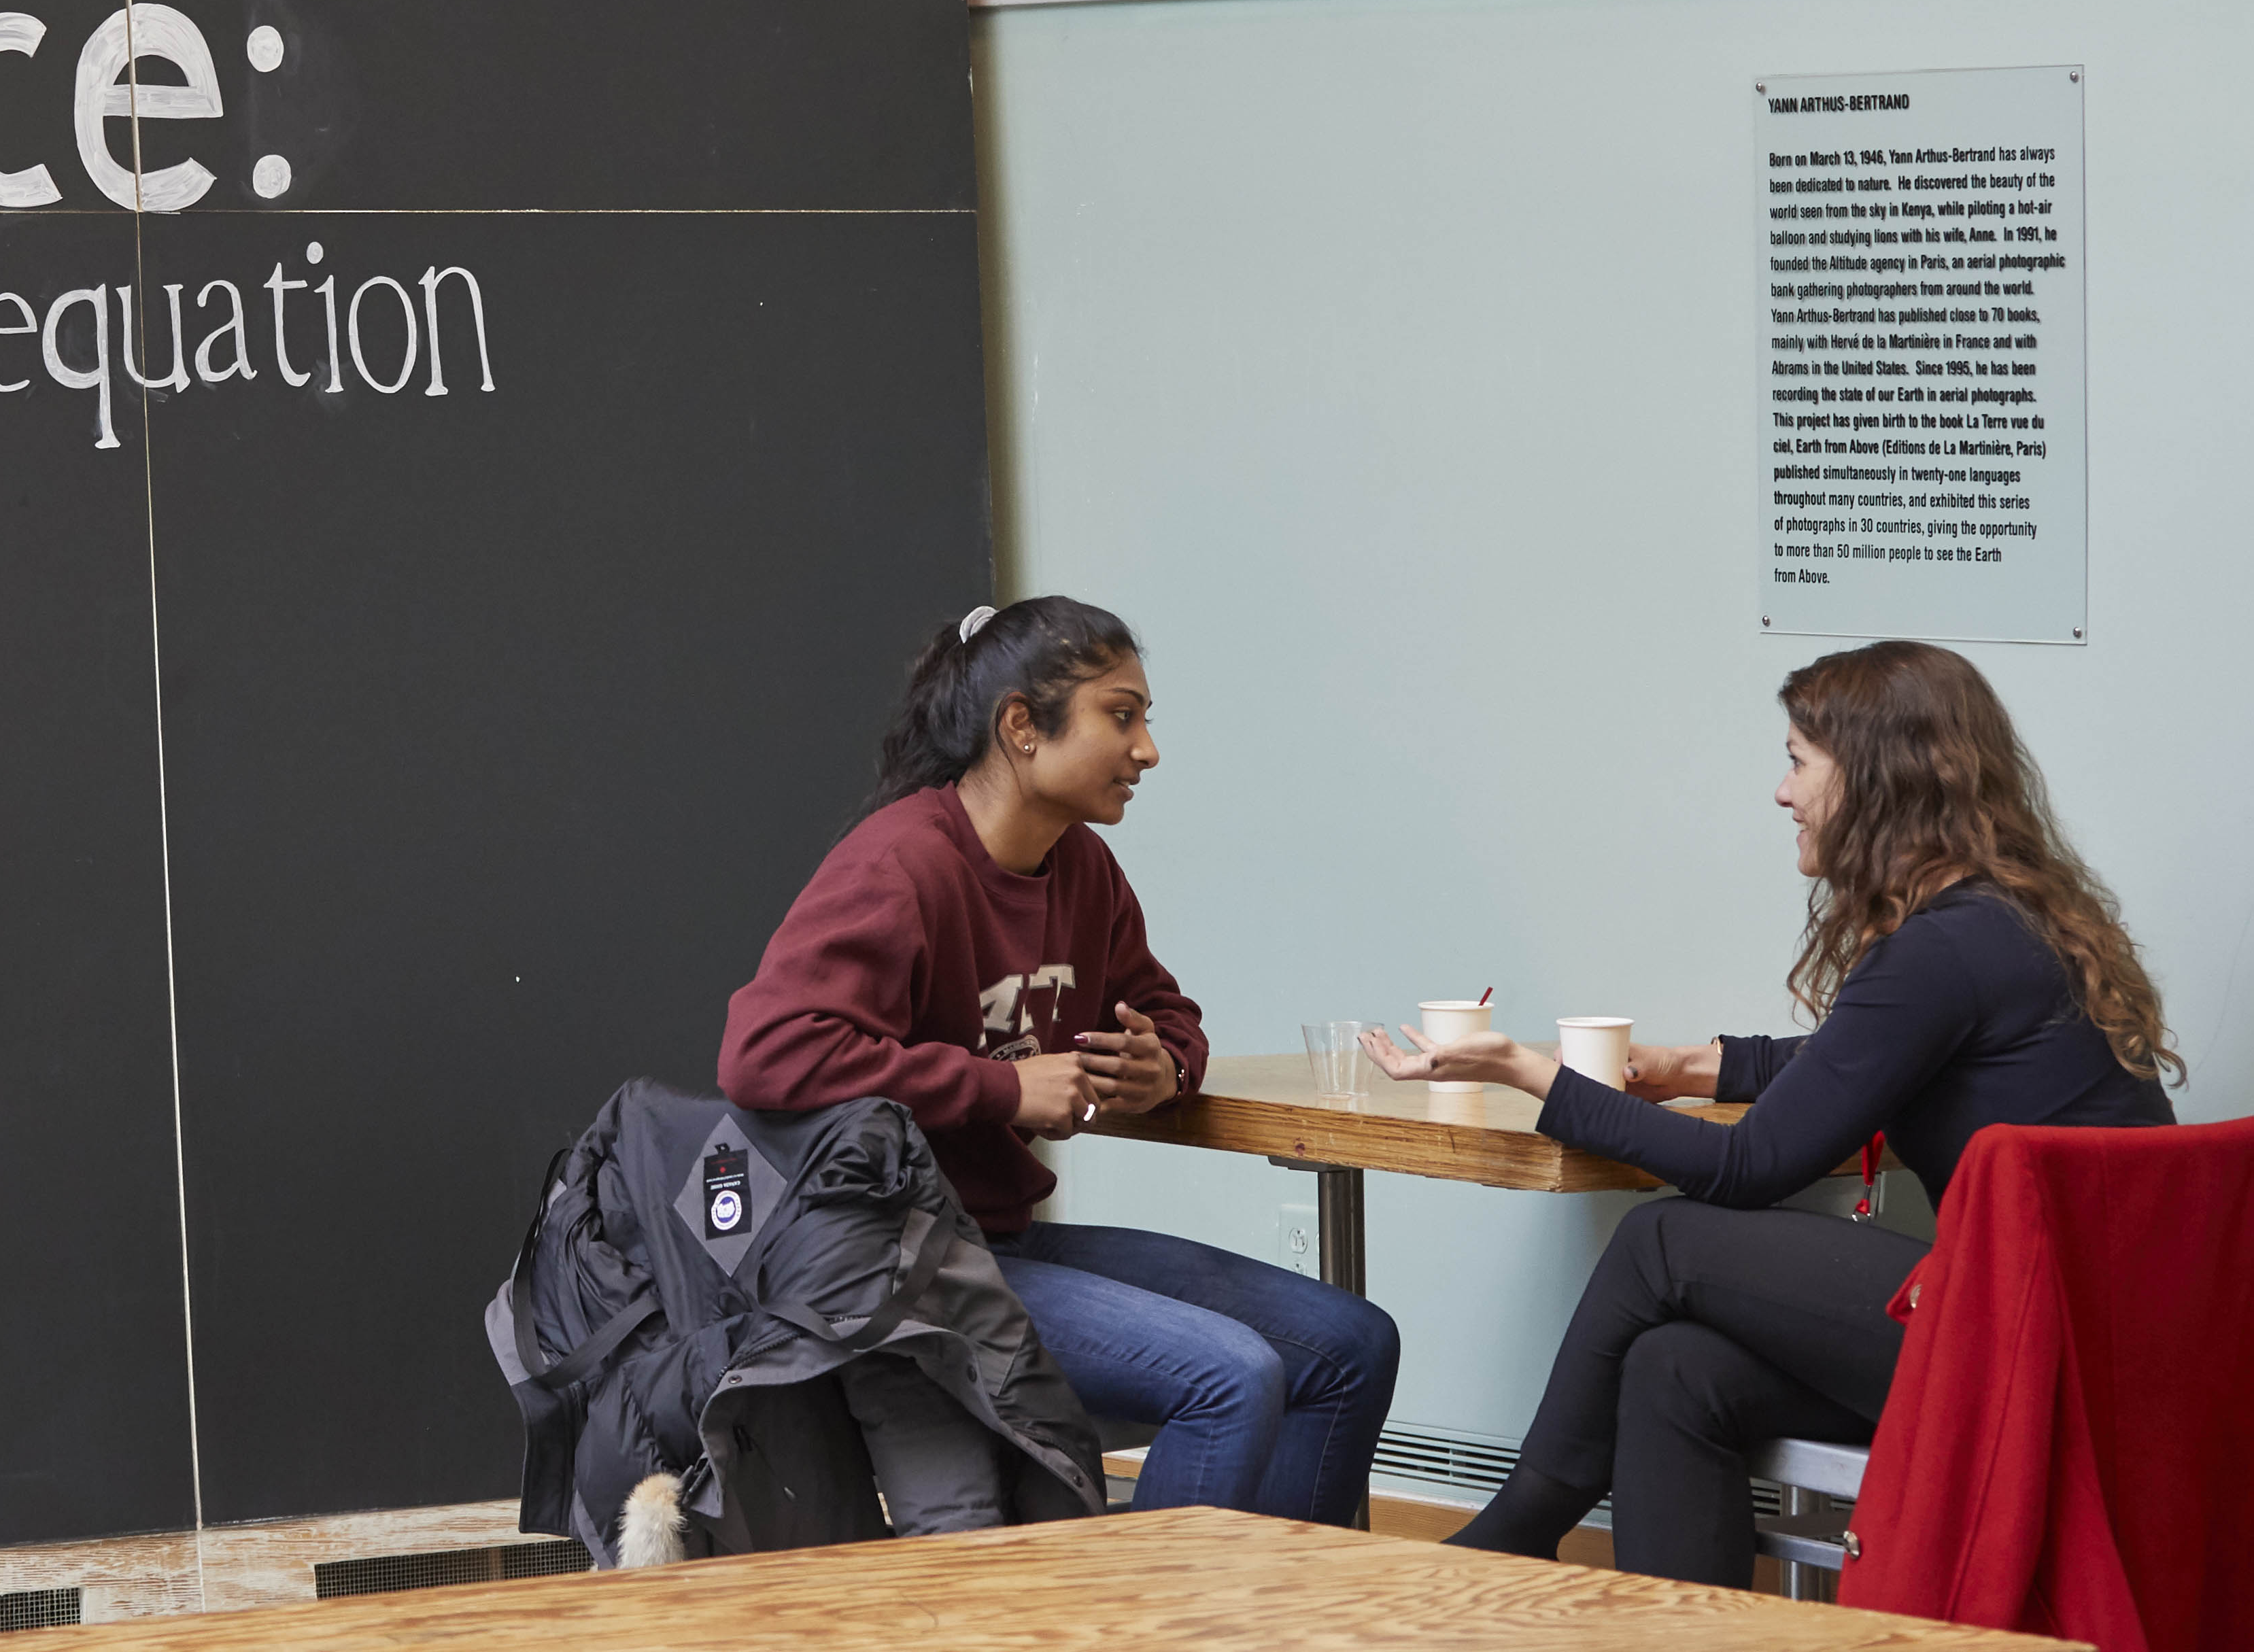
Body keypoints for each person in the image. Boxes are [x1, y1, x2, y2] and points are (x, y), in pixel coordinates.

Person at [1365, 640, 2179, 1584]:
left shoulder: (1942, 949)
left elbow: (1748, 1168)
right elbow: (1869, 1055)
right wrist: (1688, 1066)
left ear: (1875, 781)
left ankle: (1516, 1530)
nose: (1781, 793)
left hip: (2036, 1354)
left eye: (1797, 762)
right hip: (2102, 1342)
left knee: (1659, 1241)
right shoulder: (2002, 921)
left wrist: (1529, 1072)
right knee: (1674, 1369)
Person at [719, 596, 1401, 1526]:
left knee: (1351, 1344)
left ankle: (1270, 1618)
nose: (1147, 749)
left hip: (1001, 1240)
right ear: (1019, 728)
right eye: (1121, 715)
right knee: (1232, 1378)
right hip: (899, 1257)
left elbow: (1163, 1010)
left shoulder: (1079, 867)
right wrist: (999, 1086)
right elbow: (764, 1055)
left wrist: (1167, 1067)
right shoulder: (899, 864)